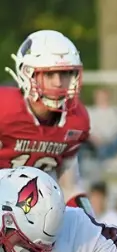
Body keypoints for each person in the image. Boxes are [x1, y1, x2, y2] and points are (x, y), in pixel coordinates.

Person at [0, 30, 93, 214]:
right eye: (50, 75)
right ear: (28, 74)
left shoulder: (76, 120)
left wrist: (89, 223)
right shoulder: (5, 109)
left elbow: (70, 185)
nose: (59, 83)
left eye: (65, 74)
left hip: (35, 210)